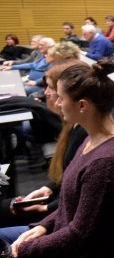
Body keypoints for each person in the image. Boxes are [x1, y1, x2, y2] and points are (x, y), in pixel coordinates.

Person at [0, 59, 114, 258]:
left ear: (83, 105)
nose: (56, 103)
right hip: (60, 243)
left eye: (61, 98)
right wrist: (43, 226)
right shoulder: (91, 139)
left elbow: (79, 236)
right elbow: (70, 203)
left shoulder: (106, 162)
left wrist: (23, 250)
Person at [0, 60, 89, 228]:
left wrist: (46, 208)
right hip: (57, 206)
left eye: (51, 88)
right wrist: (48, 188)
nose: (46, 93)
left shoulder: (84, 133)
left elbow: (77, 196)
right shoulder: (72, 124)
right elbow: (65, 176)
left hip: (59, 217)